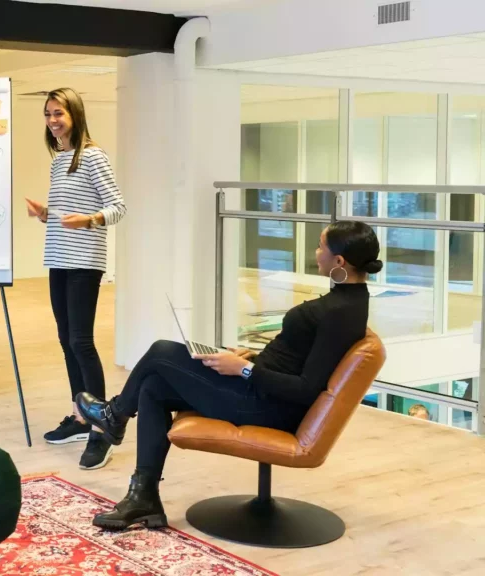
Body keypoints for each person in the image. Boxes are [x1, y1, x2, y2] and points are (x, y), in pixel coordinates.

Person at [75, 221, 381, 530]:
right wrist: (249, 359)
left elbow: (305, 388)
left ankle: (114, 416)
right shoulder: (348, 303)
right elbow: (299, 360)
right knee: (153, 386)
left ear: (339, 262)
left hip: (267, 406)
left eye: (320, 246)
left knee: (162, 351)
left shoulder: (340, 312)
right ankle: (144, 497)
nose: (316, 253)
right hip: (260, 389)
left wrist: (245, 370)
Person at [25, 87, 126, 470]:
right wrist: (47, 214)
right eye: (48, 114)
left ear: (75, 116)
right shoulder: (60, 160)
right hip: (59, 258)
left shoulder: (93, 156)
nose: (52, 121)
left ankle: (103, 427)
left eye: (59, 114)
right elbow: (69, 212)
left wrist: (90, 219)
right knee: (66, 340)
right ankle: (82, 416)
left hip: (85, 260)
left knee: (81, 341)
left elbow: (118, 206)